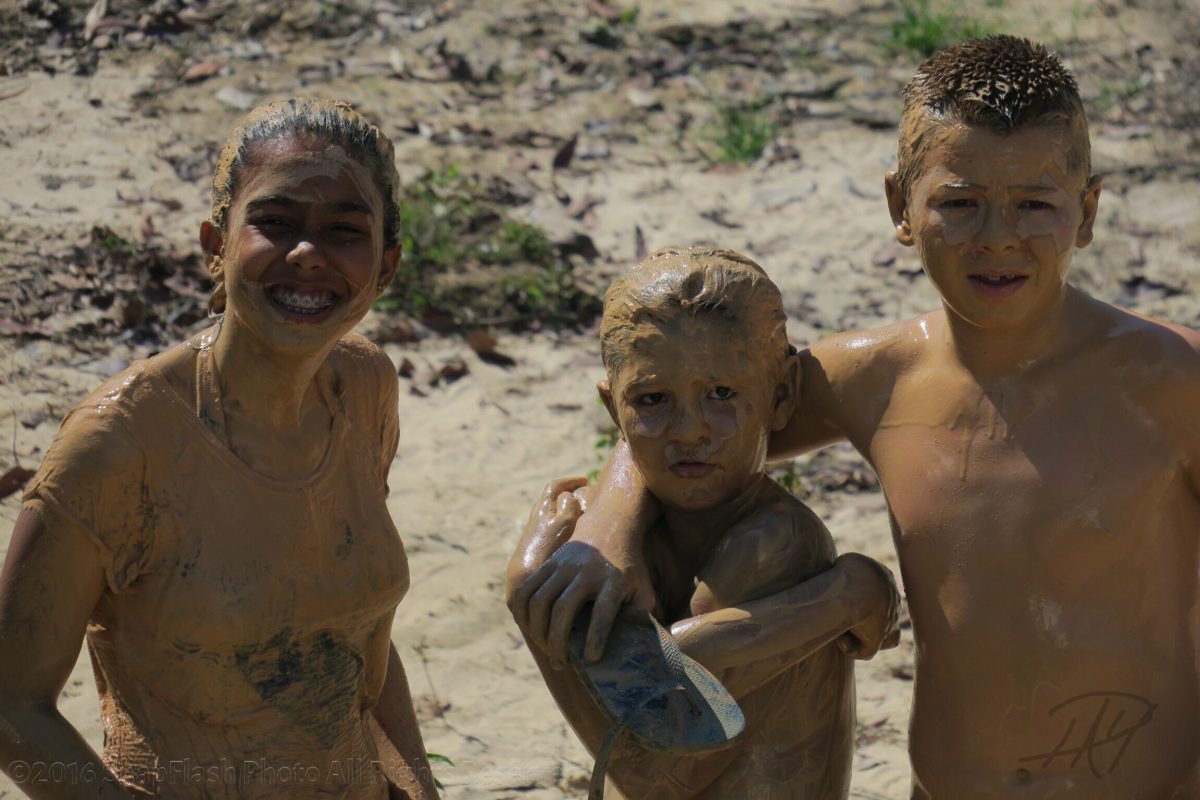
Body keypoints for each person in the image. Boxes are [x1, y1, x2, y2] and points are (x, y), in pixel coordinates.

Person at [510, 36, 1200, 799]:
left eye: (1034, 205)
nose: (998, 236)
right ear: (901, 208)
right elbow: (691, 419)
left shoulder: (1174, 379)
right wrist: (610, 527)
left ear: (1087, 211)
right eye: (960, 203)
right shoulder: (877, 378)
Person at [0, 99, 438, 799]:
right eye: (276, 222)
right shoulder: (121, 442)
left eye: (344, 231)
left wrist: (417, 788)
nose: (308, 253)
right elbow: (11, 706)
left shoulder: (363, 387)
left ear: (386, 266)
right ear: (216, 243)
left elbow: (357, 642)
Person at [507, 247, 901, 799]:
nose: (690, 430)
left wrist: (529, 597)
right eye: (652, 399)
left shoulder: (776, 543)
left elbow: (653, 773)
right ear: (614, 408)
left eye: (721, 394)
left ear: (782, 394)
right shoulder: (620, 536)